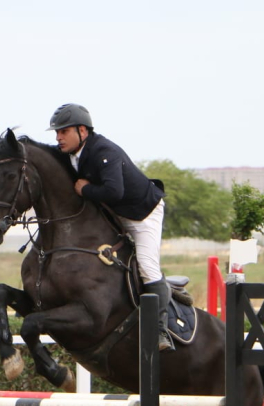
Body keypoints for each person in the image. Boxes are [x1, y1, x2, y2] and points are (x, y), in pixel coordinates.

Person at [47, 103, 174, 350]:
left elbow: (115, 191)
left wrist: (85, 189)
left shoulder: (105, 151)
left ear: (82, 130)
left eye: (63, 131)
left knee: (147, 267)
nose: (58, 137)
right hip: (114, 213)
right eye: (57, 132)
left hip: (142, 214)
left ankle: (160, 329)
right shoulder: (71, 152)